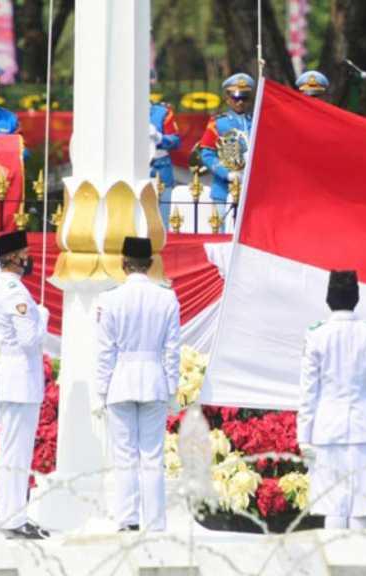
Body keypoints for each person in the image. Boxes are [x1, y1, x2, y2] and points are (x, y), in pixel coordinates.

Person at [94, 236, 180, 532]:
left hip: (121, 380)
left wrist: (101, 390)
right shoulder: (167, 297)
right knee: (152, 455)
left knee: (125, 455)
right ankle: (155, 522)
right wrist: (172, 389)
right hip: (154, 379)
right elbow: (172, 349)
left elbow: (105, 351)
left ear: (123, 262)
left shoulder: (111, 298)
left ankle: (127, 519)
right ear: (150, 263)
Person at [298, 270, 366, 531]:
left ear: (329, 297)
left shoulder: (316, 334)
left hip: (327, 428)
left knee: (332, 505)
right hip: (364, 426)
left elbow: (308, 391)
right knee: (361, 505)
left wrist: (304, 435)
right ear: (356, 297)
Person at [0, 230, 50, 539]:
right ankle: (11, 518)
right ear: (13, 258)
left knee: (17, 452)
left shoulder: (11, 287)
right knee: (16, 453)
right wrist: (43, 316)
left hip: (16, 379)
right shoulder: (14, 291)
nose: (28, 258)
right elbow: (29, 339)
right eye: (24, 253)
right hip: (19, 380)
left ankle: (12, 514)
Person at [199, 73, 254, 232]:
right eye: (236, 97)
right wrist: (226, 173)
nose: (240, 101)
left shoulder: (257, 120)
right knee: (220, 231)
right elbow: (206, 153)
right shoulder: (218, 122)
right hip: (223, 187)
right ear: (228, 98)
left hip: (250, 185)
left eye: (244, 97)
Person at [149, 82, 181, 221]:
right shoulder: (121, 112)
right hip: (131, 168)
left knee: (162, 219)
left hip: (159, 167)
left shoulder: (162, 112)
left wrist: (159, 137)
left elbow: (175, 141)